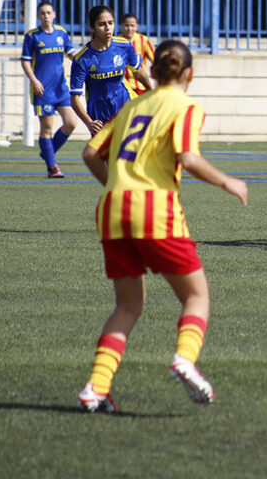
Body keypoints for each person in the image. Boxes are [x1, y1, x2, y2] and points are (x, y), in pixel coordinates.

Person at [77, 40, 248, 413]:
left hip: (111, 209)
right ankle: (185, 358)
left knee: (127, 305)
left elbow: (90, 152)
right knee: (196, 297)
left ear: (151, 73)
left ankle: (96, 388)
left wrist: (113, 184)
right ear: (190, 74)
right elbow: (187, 157)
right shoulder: (185, 106)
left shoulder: (133, 105)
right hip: (155, 209)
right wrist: (227, 182)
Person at [71, 5, 153, 137]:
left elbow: (137, 70)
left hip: (125, 104)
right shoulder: (83, 59)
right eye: (102, 24)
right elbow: (74, 99)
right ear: (93, 28)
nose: (108, 28)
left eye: (110, 23)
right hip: (99, 115)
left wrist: (151, 91)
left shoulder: (124, 45)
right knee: (104, 157)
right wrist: (89, 122)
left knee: (131, 150)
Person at [20, 1, 77, 177]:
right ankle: (52, 167)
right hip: (42, 90)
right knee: (47, 127)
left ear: (54, 14)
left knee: (71, 123)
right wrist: (34, 80)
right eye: (42, 13)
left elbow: (71, 53)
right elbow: (25, 60)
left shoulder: (61, 33)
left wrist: (86, 61)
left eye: (48, 13)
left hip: (61, 88)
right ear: (38, 16)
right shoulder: (32, 36)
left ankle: (47, 153)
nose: (45, 16)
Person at [120, 13, 156, 95]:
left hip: (140, 86)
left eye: (132, 26)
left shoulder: (143, 40)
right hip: (122, 87)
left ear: (137, 26)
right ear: (121, 26)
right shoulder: (116, 41)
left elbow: (155, 59)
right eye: (126, 25)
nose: (129, 29)